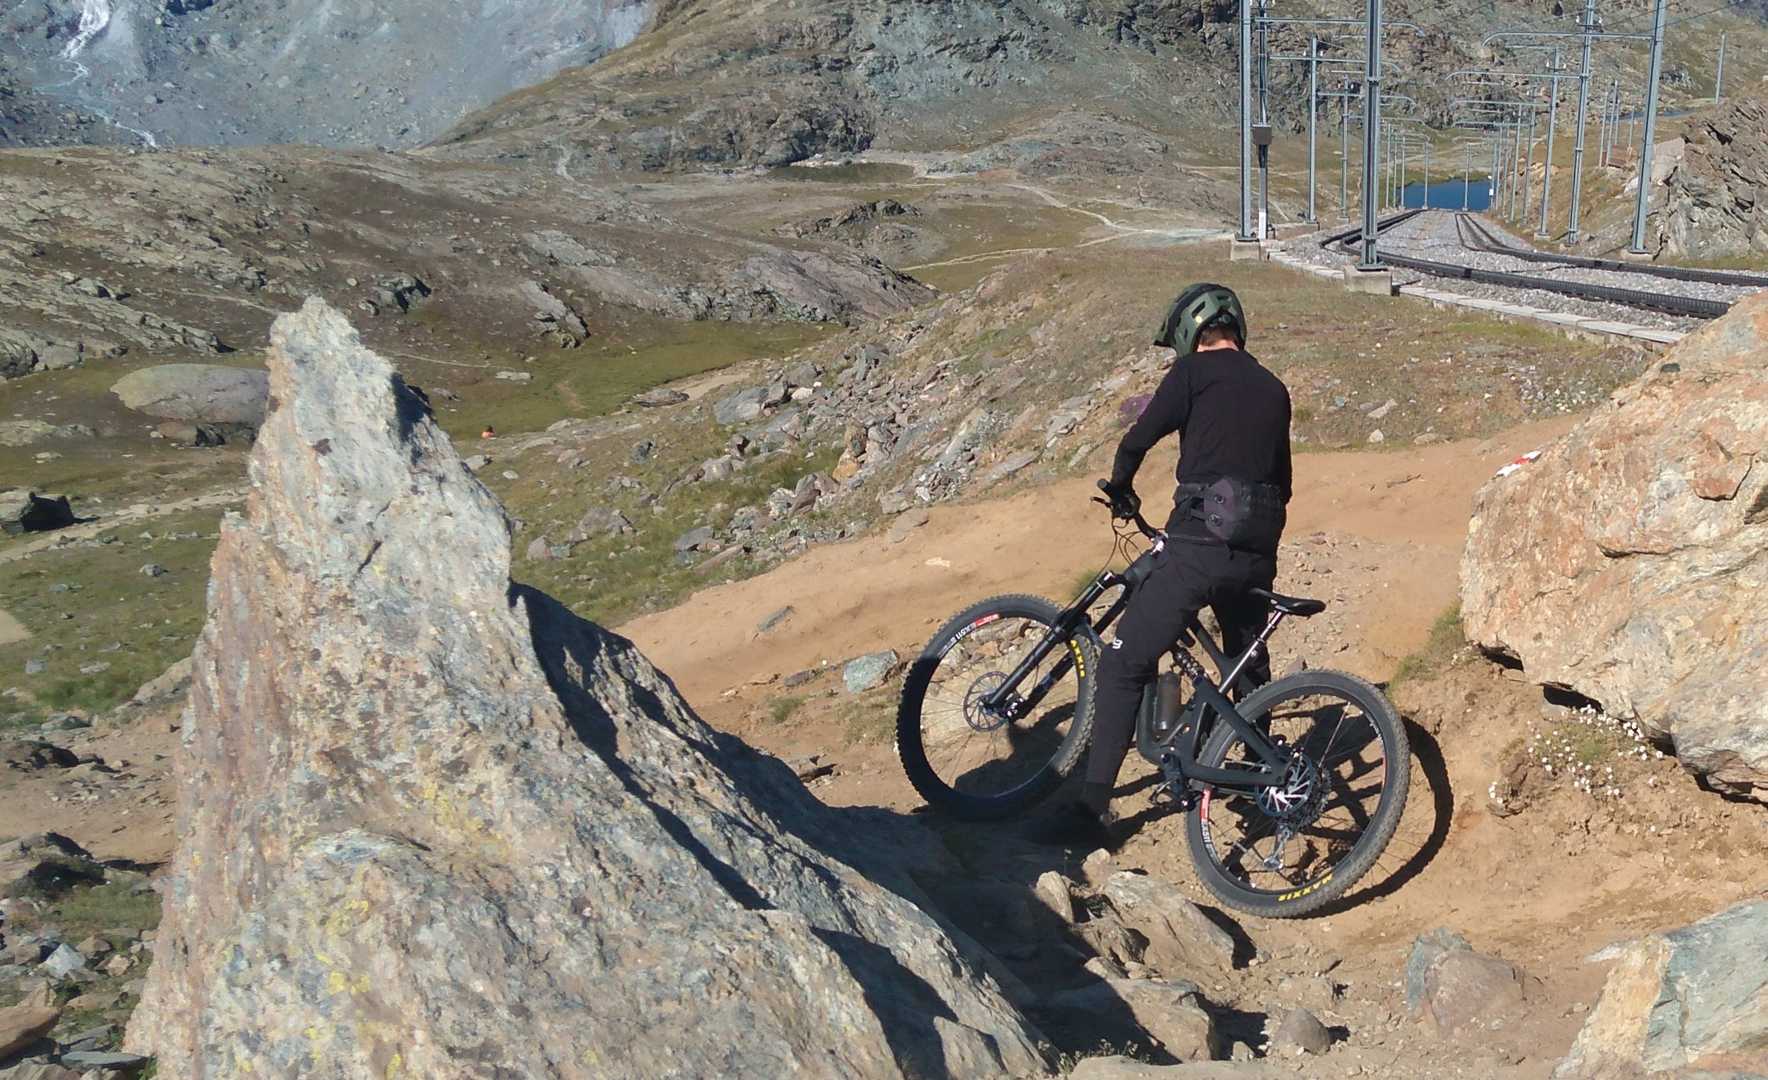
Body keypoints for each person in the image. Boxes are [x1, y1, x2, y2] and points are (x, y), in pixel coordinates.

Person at [1034, 282, 1292, 848]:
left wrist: (1121, 486)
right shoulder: (1274, 387)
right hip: (1259, 548)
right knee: (1244, 662)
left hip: (1200, 542)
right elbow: (1284, 480)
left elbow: (1139, 439)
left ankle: (1090, 810)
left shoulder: (1191, 373)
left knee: (1123, 661)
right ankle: (1256, 779)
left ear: (1188, 332)